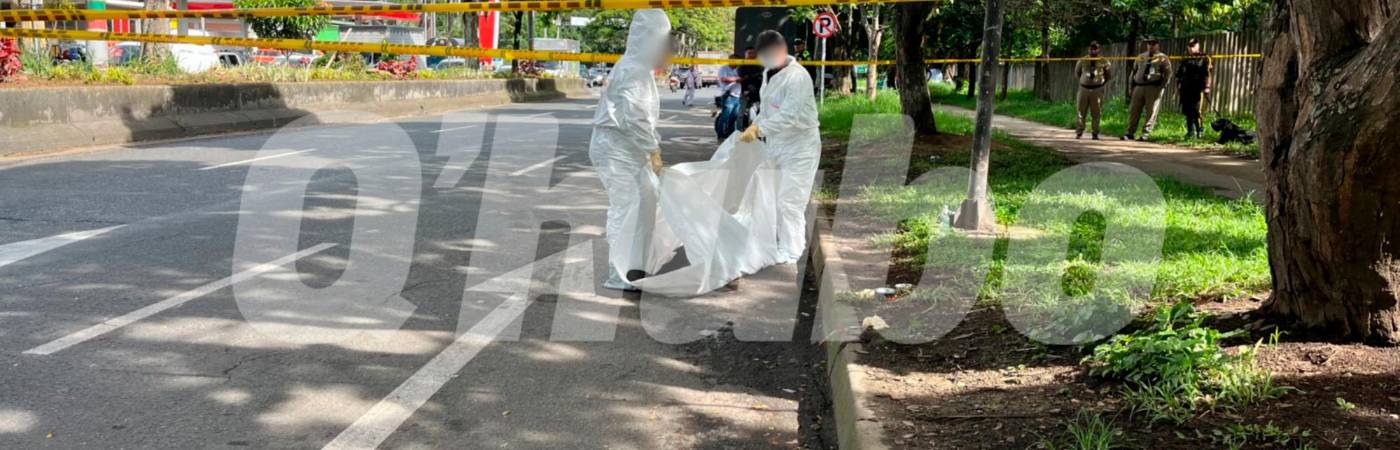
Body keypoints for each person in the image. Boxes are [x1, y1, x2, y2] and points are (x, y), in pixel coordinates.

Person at [588, 9, 672, 291]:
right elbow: (634, 118)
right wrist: (652, 148)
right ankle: (620, 274)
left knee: (644, 204)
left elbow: (641, 118)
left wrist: (650, 148)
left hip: (627, 148)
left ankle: (636, 266)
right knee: (626, 209)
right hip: (616, 149)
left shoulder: (637, 68)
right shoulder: (633, 69)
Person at [738, 31, 820, 264]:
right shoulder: (769, 73)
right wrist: (754, 125)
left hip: (800, 146)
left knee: (790, 200)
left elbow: (789, 116)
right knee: (770, 195)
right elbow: (768, 109)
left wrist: (759, 130)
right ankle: (777, 243)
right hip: (776, 145)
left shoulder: (797, 77)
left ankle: (792, 251)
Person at [1123, 37, 1172, 141]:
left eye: (1153, 43)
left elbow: (1168, 74)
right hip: (1139, 86)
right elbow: (1133, 72)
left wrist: (1161, 87)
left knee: (1151, 111)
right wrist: (1131, 87)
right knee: (1134, 110)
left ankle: (1146, 133)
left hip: (1153, 87)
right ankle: (1130, 132)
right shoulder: (1141, 56)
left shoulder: (1162, 58)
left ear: (1157, 45)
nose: (1151, 46)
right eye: (1149, 43)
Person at [1176, 38, 1214, 139]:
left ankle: (1199, 131)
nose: (1191, 48)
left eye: (1193, 46)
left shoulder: (1204, 57)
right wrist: (1178, 86)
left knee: (1197, 111)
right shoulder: (1185, 58)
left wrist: (1207, 87)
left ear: (1198, 46)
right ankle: (1190, 132)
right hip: (1185, 88)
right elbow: (1179, 74)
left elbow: (1208, 73)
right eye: (1190, 46)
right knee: (1188, 110)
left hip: (1198, 89)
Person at [1073, 41, 1112, 140]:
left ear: (1098, 50)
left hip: (1097, 90)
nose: (1093, 50)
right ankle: (1079, 132)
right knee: (1080, 111)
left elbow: (1108, 75)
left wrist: (1100, 84)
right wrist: (1083, 81)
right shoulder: (1082, 60)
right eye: (1091, 48)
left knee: (1096, 112)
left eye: (1095, 49)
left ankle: (1095, 132)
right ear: (1088, 49)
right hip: (1084, 89)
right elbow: (1077, 73)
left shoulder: (1104, 61)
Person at [715, 56, 744, 139]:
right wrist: (736, 79)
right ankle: (721, 135)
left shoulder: (738, 69)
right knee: (725, 116)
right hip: (728, 95)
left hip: (738, 95)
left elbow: (743, 79)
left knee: (733, 117)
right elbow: (724, 79)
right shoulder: (724, 69)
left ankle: (729, 134)